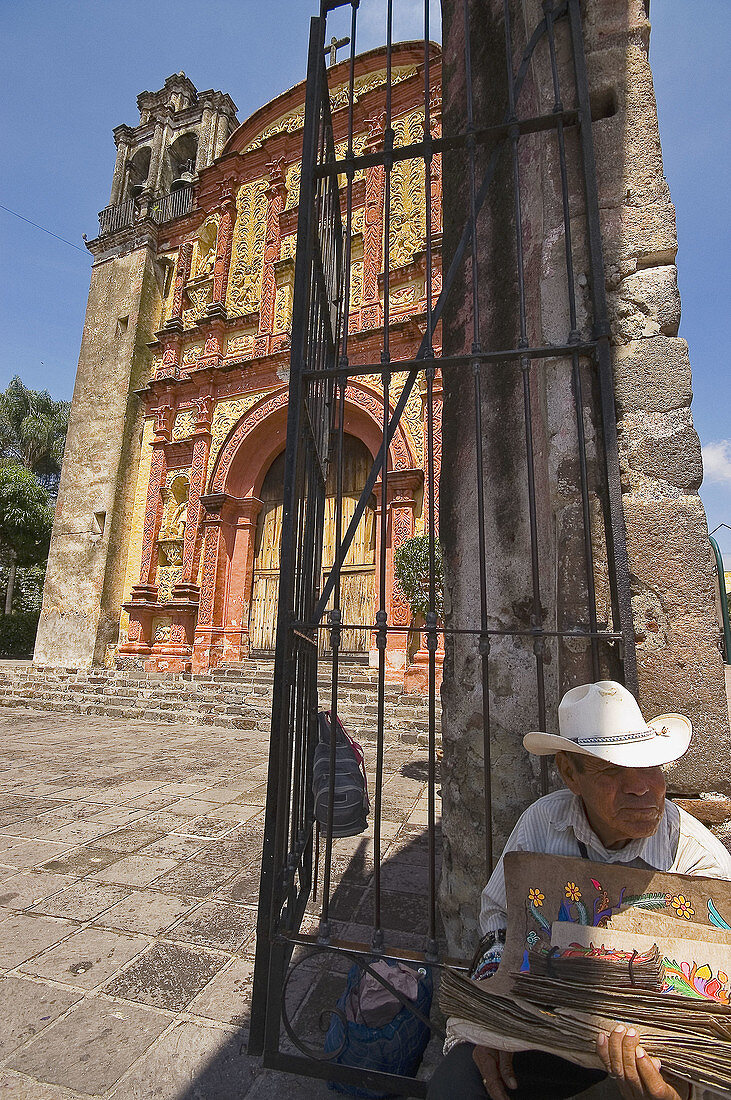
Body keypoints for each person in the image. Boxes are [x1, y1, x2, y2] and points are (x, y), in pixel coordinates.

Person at [428, 681, 731, 1100]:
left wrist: (679, 1091)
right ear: (571, 774)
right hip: (543, 1031)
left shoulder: (701, 863)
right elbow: (499, 920)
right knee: (455, 1088)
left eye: (651, 767)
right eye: (613, 771)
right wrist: (493, 1023)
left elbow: (712, 1008)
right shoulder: (542, 823)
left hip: (655, 1057)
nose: (641, 787)